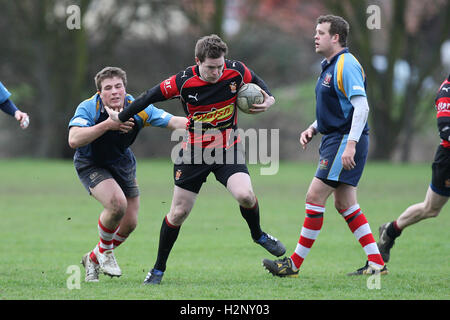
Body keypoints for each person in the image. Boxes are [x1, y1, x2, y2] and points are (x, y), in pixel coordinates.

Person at [106, 34, 286, 285]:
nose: (216, 71)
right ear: (197, 61)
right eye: (211, 67)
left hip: (227, 149)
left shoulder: (235, 71)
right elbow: (148, 97)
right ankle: (158, 269)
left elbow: (257, 81)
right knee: (178, 213)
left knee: (245, 195)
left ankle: (258, 235)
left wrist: (269, 99)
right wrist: (121, 116)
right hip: (193, 153)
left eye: (220, 66)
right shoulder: (182, 82)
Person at [262, 15, 387, 278]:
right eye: (315, 32)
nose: (315, 36)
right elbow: (338, 106)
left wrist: (350, 144)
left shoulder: (346, 64)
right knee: (344, 203)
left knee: (314, 197)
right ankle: (376, 263)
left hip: (344, 140)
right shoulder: (329, 65)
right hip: (336, 138)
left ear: (336, 38)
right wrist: (314, 127)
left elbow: (361, 106)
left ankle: (293, 265)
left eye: (321, 32)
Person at [68, 66, 187, 282]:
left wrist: (208, 124)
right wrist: (108, 125)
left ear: (125, 88)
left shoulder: (138, 107)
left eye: (118, 86)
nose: (114, 92)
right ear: (99, 93)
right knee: (117, 204)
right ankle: (107, 253)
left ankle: (94, 258)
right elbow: (74, 139)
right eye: (108, 88)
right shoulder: (89, 108)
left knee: (130, 222)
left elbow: (175, 122)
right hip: (91, 163)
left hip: (122, 163)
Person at [378, 74, 450, 262]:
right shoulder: (446, 91)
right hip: (447, 160)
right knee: (431, 209)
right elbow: (445, 128)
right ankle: (390, 231)